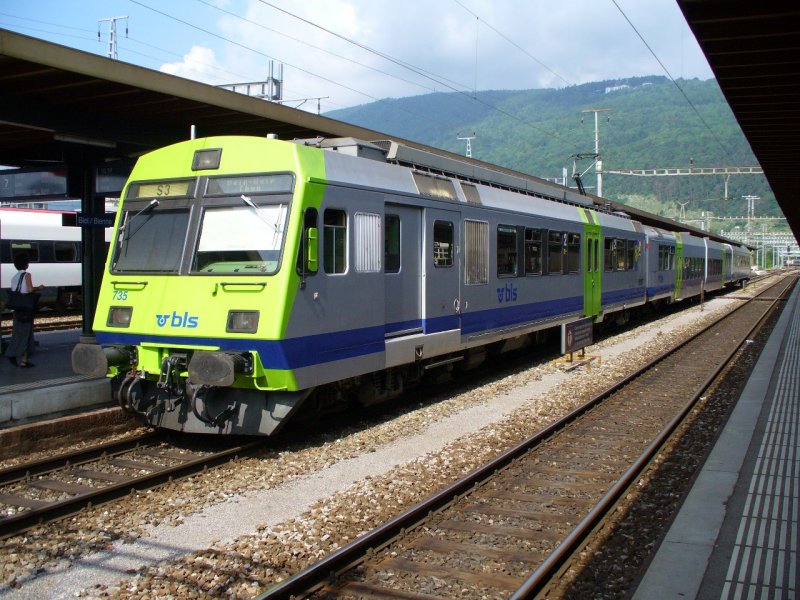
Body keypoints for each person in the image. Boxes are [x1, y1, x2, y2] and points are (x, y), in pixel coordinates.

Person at [4, 253, 44, 368]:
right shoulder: (27, 275)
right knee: (27, 334)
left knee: (18, 333)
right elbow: (30, 289)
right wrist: (40, 288)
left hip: (17, 309)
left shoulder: (14, 277)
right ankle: (16, 356)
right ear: (26, 264)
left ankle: (23, 360)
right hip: (26, 309)